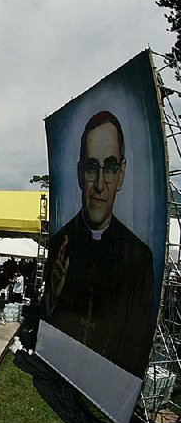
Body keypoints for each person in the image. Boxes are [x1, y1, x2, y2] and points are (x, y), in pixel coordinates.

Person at [43, 111, 155, 377]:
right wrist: (53, 297)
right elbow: (48, 318)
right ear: (81, 174)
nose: (100, 185)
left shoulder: (139, 257)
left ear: (122, 174)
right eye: (92, 168)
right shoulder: (60, 242)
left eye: (111, 167)